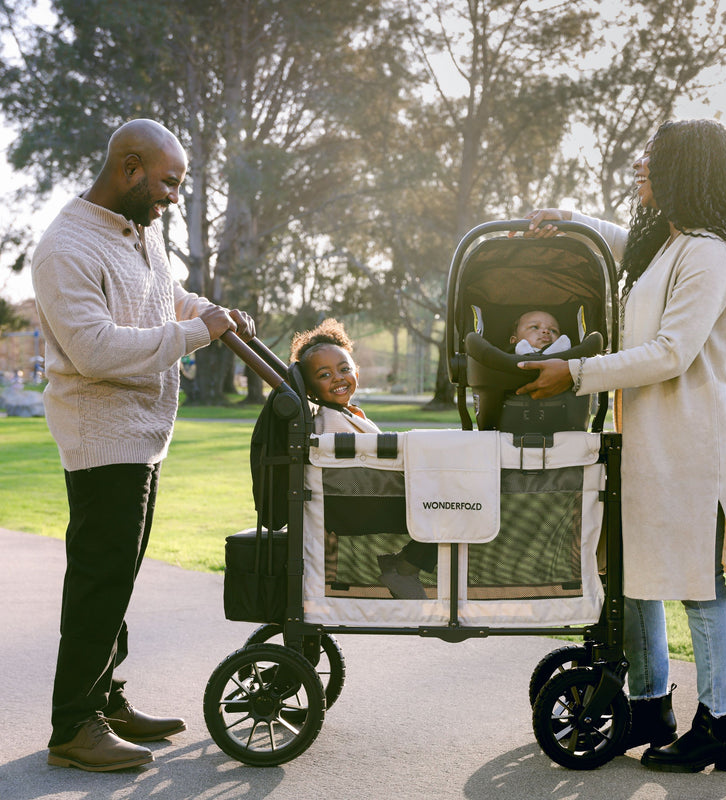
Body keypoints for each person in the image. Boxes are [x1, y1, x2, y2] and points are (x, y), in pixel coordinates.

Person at [515, 118, 726, 773]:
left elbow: (673, 351)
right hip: (651, 446)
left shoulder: (708, 251)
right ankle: (650, 706)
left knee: (702, 588)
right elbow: (626, 249)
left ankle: (723, 726)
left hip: (695, 448)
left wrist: (577, 371)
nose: (638, 172)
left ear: (686, 170)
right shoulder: (666, 247)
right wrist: (568, 218)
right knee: (637, 576)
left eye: (651, 163)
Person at [32, 118, 256, 772]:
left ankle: (105, 696)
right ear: (129, 167)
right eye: (166, 184)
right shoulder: (65, 248)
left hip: (144, 436)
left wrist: (212, 311)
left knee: (119, 580)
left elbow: (167, 297)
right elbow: (95, 348)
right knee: (100, 581)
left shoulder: (140, 232)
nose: (170, 200)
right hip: (101, 437)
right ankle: (74, 725)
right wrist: (195, 335)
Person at [290, 319, 436, 599]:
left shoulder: (349, 413)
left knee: (454, 503)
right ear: (309, 389)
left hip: (373, 493)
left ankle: (404, 565)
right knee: (453, 506)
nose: (338, 377)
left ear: (356, 370)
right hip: (359, 501)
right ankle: (404, 567)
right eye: (324, 374)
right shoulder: (328, 420)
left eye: (344, 369)